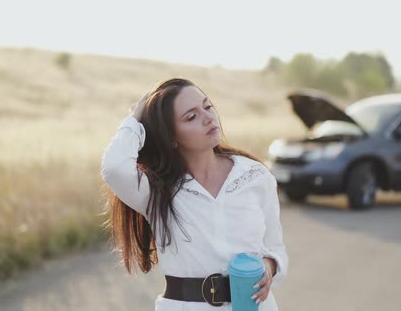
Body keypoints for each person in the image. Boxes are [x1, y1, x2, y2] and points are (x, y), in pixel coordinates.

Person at [101, 78, 288, 310]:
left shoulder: (255, 176)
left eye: (208, 107)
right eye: (191, 116)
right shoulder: (156, 191)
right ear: (171, 137)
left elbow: (275, 247)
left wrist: (268, 267)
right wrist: (135, 119)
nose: (209, 118)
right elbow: (114, 168)